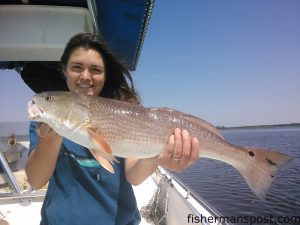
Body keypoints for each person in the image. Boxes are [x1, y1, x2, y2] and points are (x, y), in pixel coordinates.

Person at [25, 33, 200, 225]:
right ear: (64, 70)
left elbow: (134, 176)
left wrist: (156, 157)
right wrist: (49, 141)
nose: (85, 76)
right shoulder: (44, 123)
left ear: (105, 75)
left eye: (95, 69)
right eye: (76, 67)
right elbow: (35, 180)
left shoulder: (125, 110)